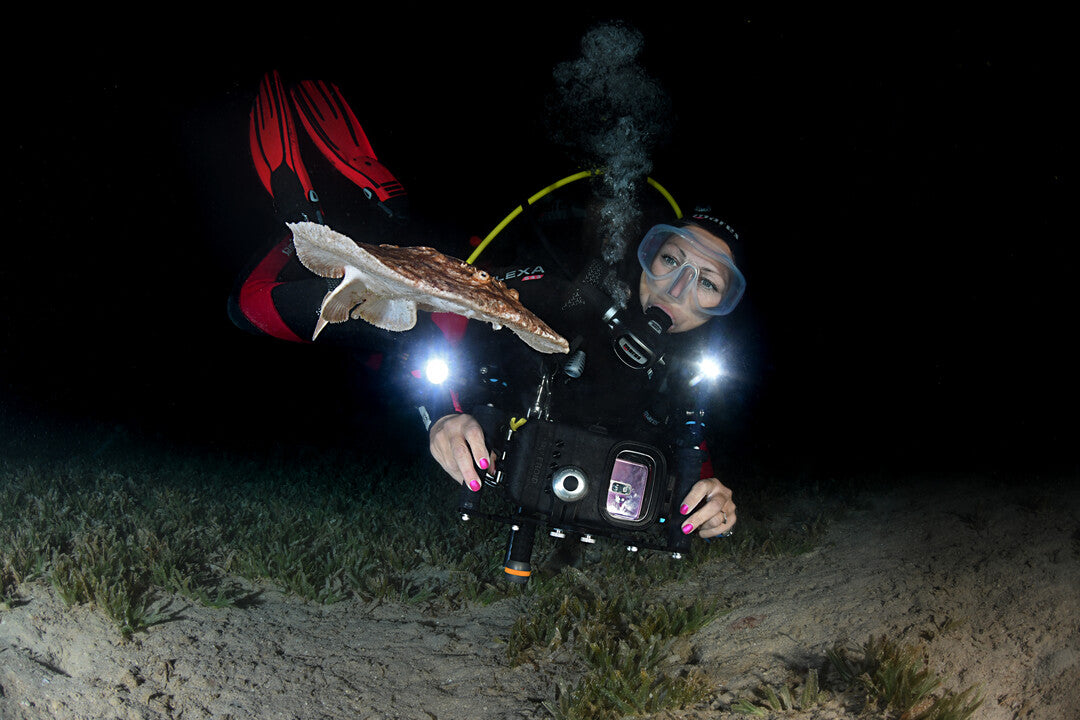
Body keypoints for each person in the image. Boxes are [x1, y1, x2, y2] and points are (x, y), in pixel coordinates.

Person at [230, 71, 742, 546]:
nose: (677, 288)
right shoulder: (583, 296)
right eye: (670, 259)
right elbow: (462, 322)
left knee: (329, 340)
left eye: (709, 283)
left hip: (401, 364)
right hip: (435, 323)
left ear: (725, 305)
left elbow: (691, 468)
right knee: (253, 308)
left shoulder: (690, 379)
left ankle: (372, 225)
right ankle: (320, 226)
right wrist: (446, 415)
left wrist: (712, 501)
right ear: (646, 256)